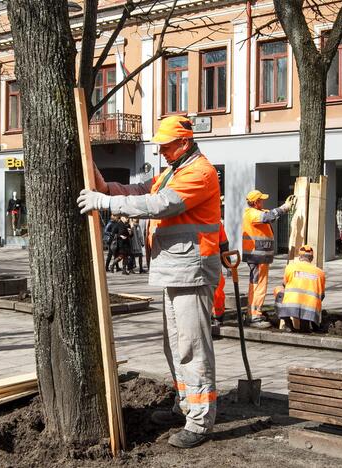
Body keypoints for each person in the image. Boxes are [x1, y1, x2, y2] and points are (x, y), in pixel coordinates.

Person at [78, 115, 222, 449]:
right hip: (176, 269)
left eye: (167, 145)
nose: (162, 151)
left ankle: (200, 422)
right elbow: (142, 190)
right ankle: (186, 406)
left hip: (191, 269)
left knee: (192, 347)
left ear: (184, 142)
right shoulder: (175, 170)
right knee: (174, 346)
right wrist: (104, 185)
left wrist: (106, 203)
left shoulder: (199, 172)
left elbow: (159, 204)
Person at [241, 190, 294, 329]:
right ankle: (255, 315)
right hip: (257, 256)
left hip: (259, 256)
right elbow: (268, 216)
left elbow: (268, 214)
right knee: (259, 286)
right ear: (255, 202)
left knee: (255, 285)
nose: (262, 202)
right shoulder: (252, 214)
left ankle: (252, 312)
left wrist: (283, 207)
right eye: (260, 200)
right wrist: (285, 207)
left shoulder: (254, 212)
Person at [274, 245, 326, 332]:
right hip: (311, 310)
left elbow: (284, 285)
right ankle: (307, 325)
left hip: (291, 307)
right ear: (312, 258)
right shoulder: (320, 273)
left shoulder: (290, 267)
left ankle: (288, 324)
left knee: (278, 289)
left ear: (300, 257)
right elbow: (322, 295)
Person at [212, 222, 229, 327]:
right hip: (212, 261)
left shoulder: (217, 223)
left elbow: (223, 244)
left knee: (217, 290)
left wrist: (227, 264)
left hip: (212, 260)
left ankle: (217, 315)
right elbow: (224, 245)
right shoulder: (217, 223)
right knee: (217, 290)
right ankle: (217, 315)